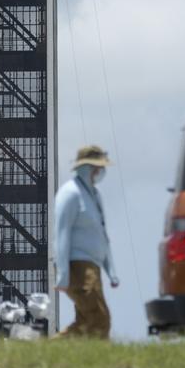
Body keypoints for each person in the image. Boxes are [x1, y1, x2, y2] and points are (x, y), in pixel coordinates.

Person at [54, 144, 118, 339]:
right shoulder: (70, 193)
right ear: (88, 168)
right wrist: (63, 274)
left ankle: (54, 349)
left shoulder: (95, 196)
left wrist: (111, 271)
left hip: (93, 265)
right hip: (78, 266)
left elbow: (102, 234)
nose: (101, 172)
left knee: (87, 321)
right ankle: (51, 348)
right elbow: (62, 234)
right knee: (99, 318)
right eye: (98, 167)